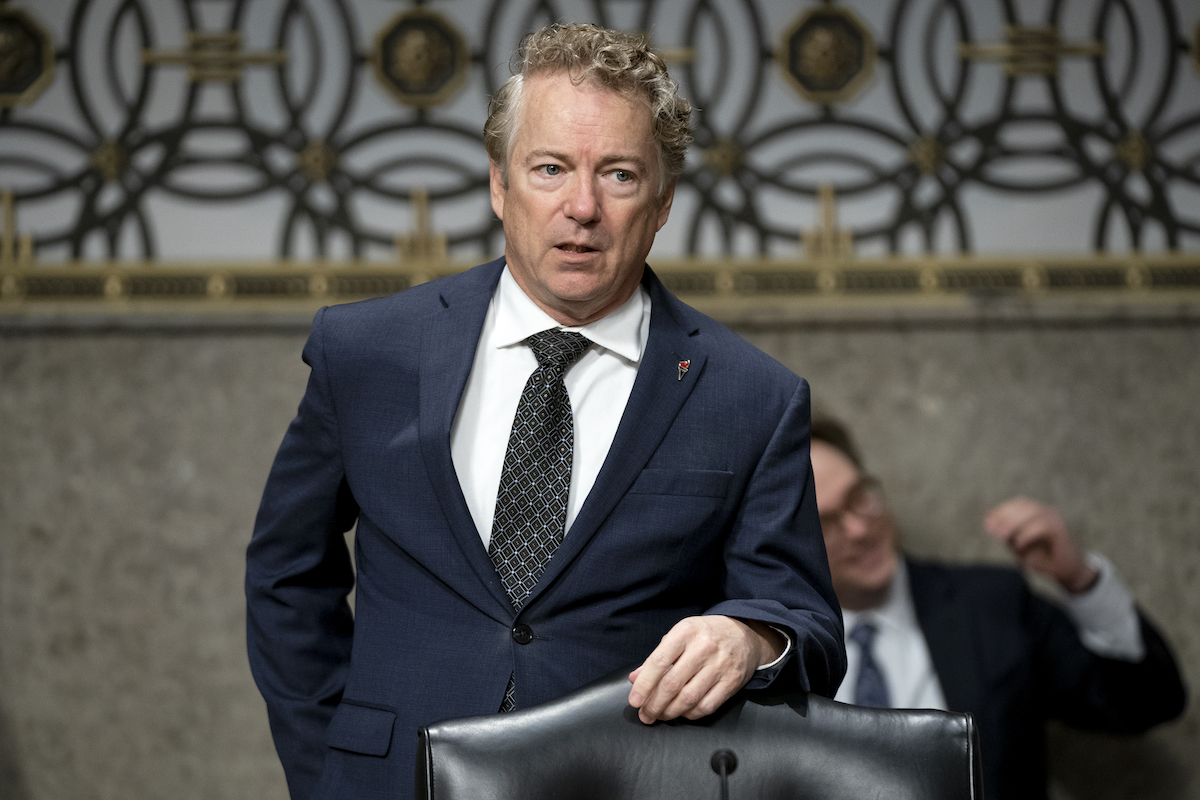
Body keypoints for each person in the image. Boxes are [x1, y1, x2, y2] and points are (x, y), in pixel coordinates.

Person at [245, 24, 845, 800]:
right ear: (500, 183)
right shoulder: (366, 350)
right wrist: (331, 766)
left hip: (632, 782)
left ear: (662, 203)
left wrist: (751, 637)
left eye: (620, 175)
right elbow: (287, 574)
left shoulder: (752, 395)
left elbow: (808, 624)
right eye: (551, 168)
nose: (582, 206)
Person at [808, 416, 1186, 800]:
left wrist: (1082, 581)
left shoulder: (992, 603)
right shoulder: (774, 651)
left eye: (860, 497)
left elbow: (1148, 702)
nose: (859, 529)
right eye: (824, 523)